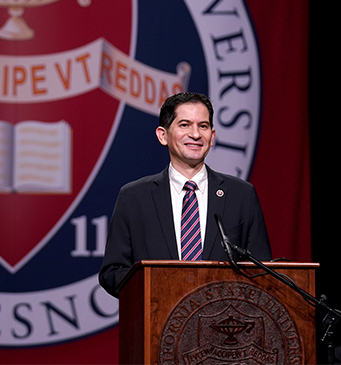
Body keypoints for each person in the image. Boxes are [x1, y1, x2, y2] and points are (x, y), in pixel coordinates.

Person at [99, 92, 272, 297]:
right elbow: (113, 272)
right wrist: (160, 290)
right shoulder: (134, 197)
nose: (196, 134)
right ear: (163, 135)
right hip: (157, 321)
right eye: (184, 125)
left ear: (212, 136)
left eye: (203, 126)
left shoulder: (241, 195)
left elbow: (262, 271)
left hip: (226, 322)